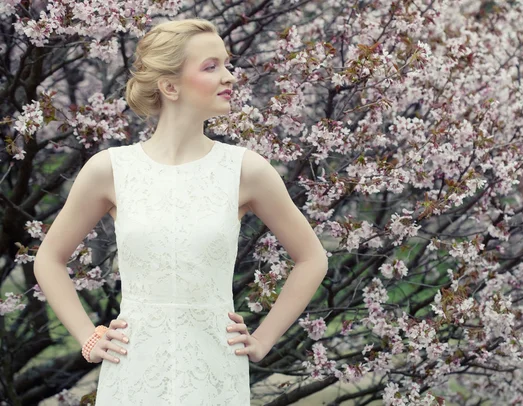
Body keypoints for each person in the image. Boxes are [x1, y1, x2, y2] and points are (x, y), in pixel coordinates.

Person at [33, 18, 328, 405]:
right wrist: (90, 338)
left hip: (214, 373)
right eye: (211, 66)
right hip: (133, 371)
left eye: (226, 63)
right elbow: (49, 259)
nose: (230, 77)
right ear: (169, 86)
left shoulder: (246, 170)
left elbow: (312, 258)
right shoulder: (111, 169)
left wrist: (263, 339)